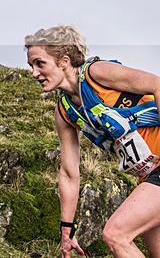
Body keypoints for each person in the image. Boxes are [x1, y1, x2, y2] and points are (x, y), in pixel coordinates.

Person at [25, 25, 160, 258]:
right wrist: (66, 230)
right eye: (31, 66)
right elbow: (69, 173)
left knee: (117, 234)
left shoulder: (97, 74)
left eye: (40, 63)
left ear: (64, 61)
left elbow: (157, 84)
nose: (34, 73)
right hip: (149, 176)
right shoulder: (65, 112)